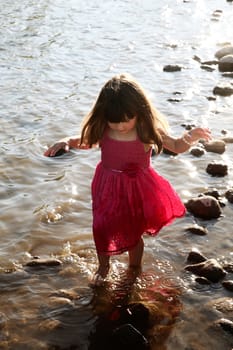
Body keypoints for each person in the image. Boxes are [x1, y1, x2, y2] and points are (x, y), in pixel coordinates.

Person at [44, 73, 211, 285]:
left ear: (139, 111)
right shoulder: (104, 129)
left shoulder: (146, 129)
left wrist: (191, 137)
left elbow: (177, 146)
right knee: (102, 227)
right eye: (114, 122)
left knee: (132, 231)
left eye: (125, 120)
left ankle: (134, 267)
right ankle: (104, 266)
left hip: (137, 188)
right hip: (107, 186)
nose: (120, 126)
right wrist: (66, 140)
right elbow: (84, 141)